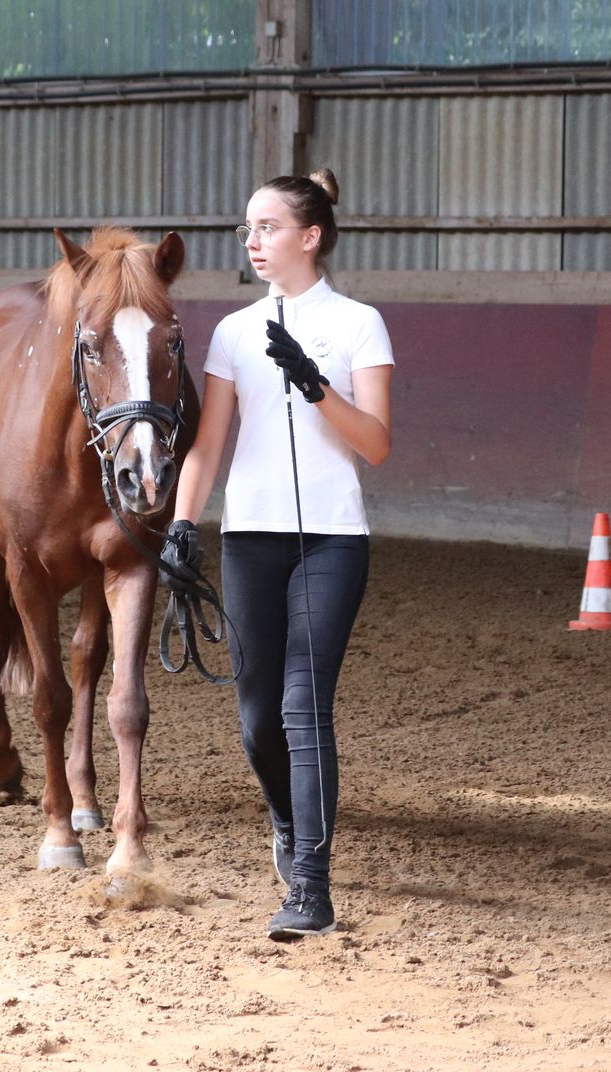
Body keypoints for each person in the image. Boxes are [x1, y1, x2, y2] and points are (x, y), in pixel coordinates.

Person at [160, 168, 394, 941]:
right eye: (248, 229)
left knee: (303, 706)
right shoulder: (234, 333)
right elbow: (207, 445)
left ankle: (312, 888)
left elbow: (377, 445)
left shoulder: (359, 324)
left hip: (332, 539)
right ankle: (288, 823)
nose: (253, 241)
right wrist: (183, 525)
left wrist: (316, 385)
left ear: (310, 236)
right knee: (258, 721)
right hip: (250, 540)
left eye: (267, 227)